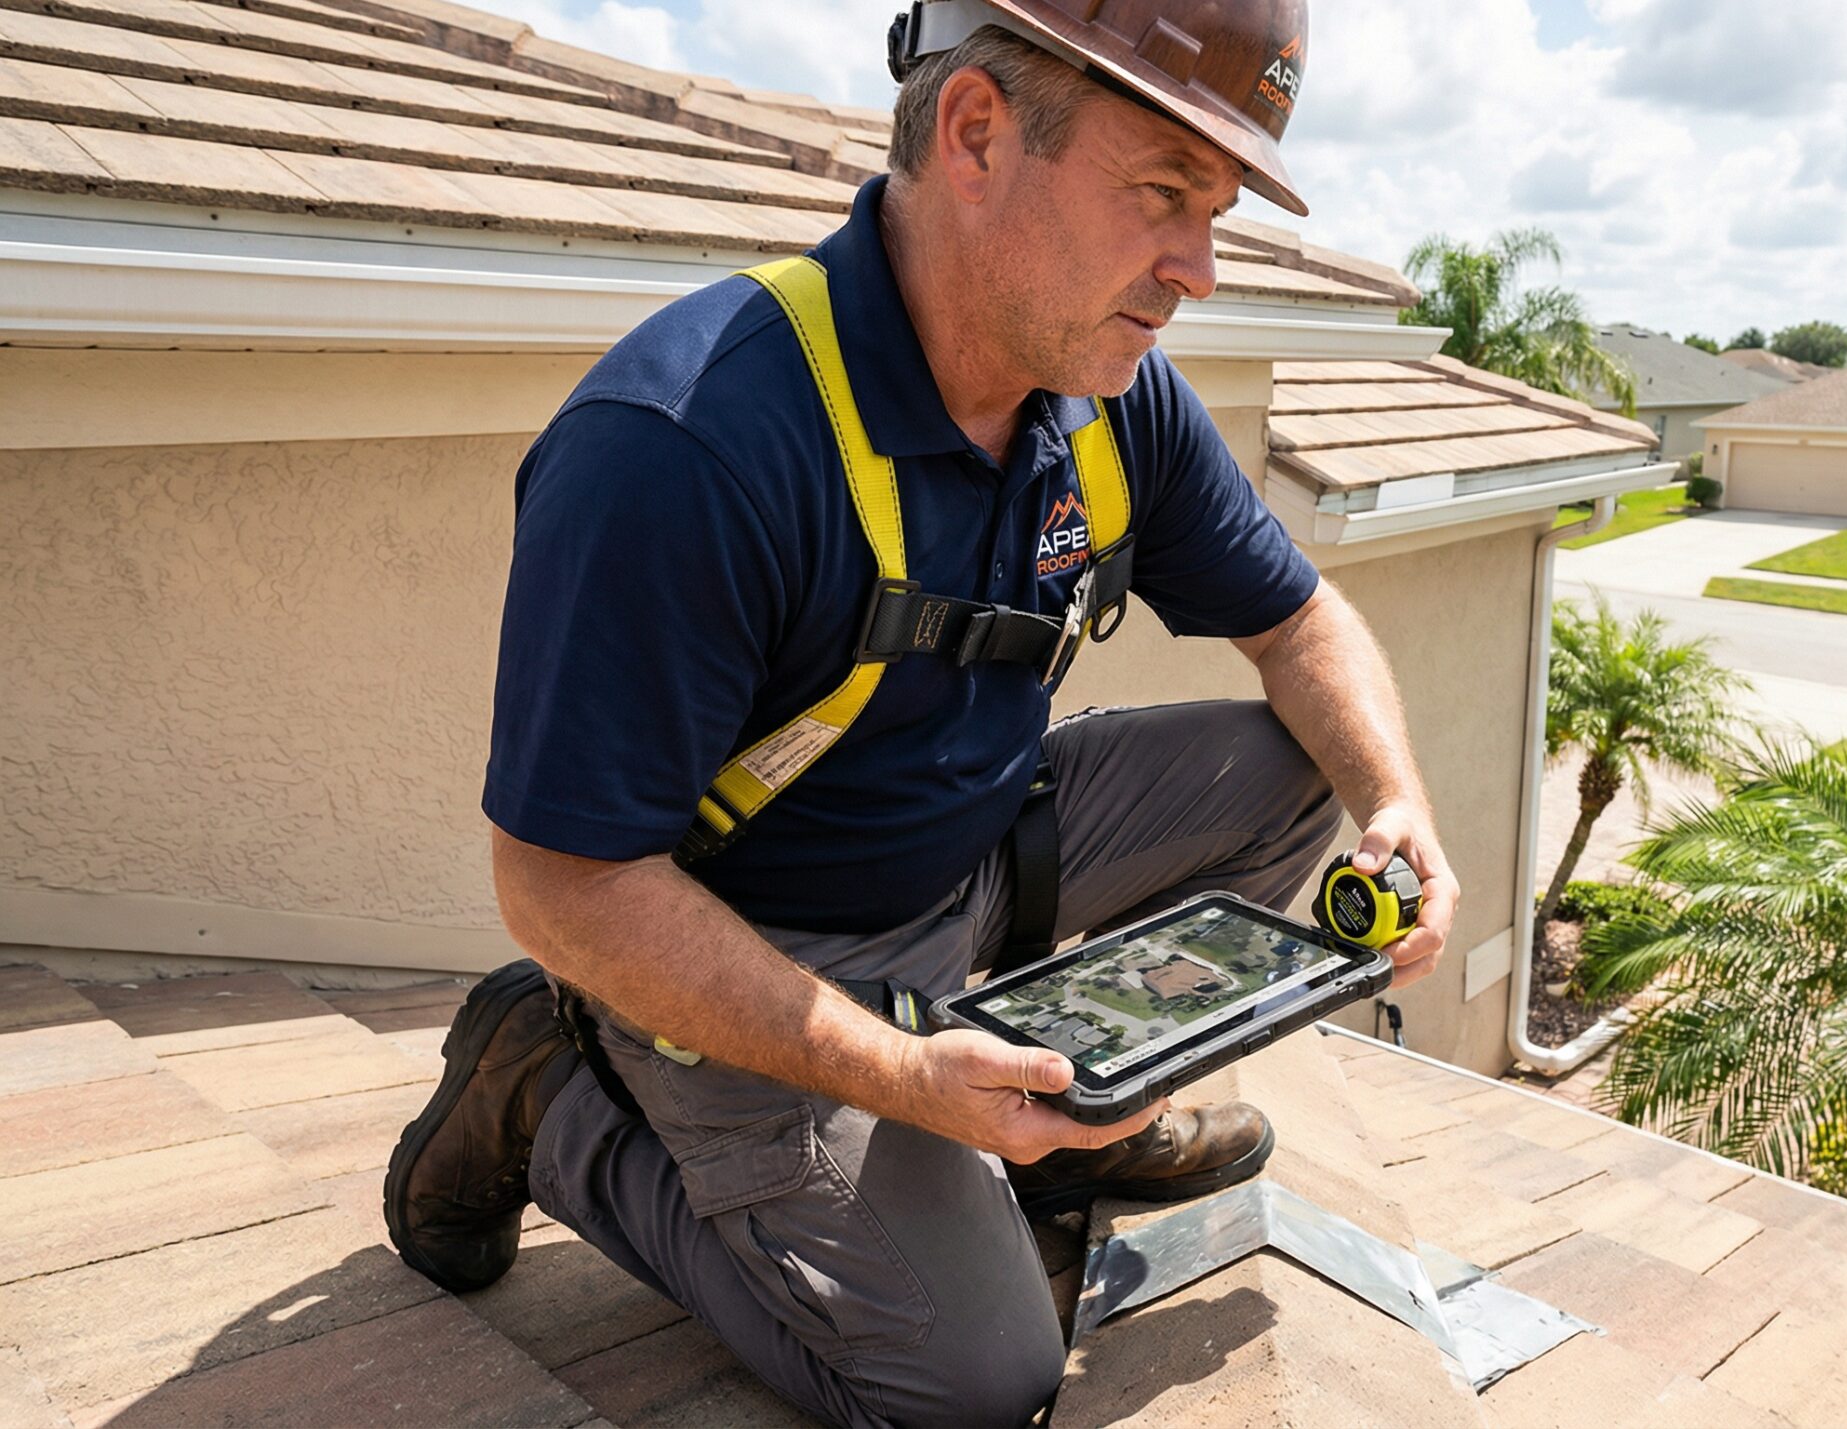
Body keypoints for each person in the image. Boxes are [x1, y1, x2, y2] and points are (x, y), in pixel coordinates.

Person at [382, 2, 1457, 1423]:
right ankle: (555, 1097)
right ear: (974, 134)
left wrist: (1397, 804)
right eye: (1163, 196)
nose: (1197, 269)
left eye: (1216, 212)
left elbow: (1300, 620)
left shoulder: (1104, 396)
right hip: (746, 957)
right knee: (972, 1385)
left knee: (1295, 764)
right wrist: (896, 1073)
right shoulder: (689, 446)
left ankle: (1061, 1128)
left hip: (967, 868)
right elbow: (559, 881)